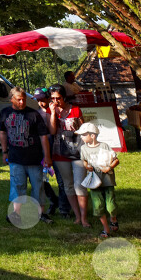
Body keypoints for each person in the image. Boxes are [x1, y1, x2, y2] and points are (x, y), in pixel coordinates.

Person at [0, 86, 54, 225]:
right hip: (16, 158)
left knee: (38, 186)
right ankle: (15, 214)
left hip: (34, 158)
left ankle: (40, 213)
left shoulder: (33, 114)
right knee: (18, 186)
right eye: (18, 100)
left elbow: (43, 137)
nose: (22, 102)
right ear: (11, 99)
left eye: (23, 99)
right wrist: (4, 151)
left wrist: (47, 156)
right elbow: (3, 133)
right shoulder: (5, 113)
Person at [49, 86, 89, 226]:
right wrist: (53, 114)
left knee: (80, 185)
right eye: (52, 98)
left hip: (77, 151)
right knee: (68, 185)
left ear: (64, 97)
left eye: (58, 98)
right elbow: (53, 131)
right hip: (60, 152)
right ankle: (77, 216)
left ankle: (84, 217)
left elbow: (84, 130)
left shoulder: (75, 110)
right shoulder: (52, 111)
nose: (55, 101)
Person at [79, 122, 120, 238]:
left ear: (92, 135)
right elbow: (84, 161)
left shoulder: (104, 146)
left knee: (110, 205)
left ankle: (113, 218)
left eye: (83, 135)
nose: (81, 137)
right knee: (98, 206)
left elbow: (116, 160)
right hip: (94, 181)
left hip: (107, 180)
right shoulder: (83, 148)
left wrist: (109, 167)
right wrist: (87, 166)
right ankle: (106, 229)